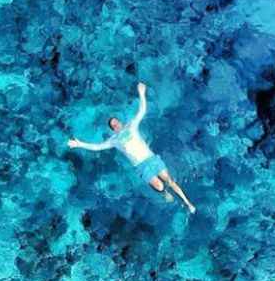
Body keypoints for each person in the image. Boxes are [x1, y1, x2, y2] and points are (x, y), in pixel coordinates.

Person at [67, 83, 196, 214]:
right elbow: (97, 147)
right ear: (113, 130)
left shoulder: (131, 126)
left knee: (169, 180)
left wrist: (141, 93)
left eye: (116, 122)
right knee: (159, 185)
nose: (116, 125)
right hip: (141, 166)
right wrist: (80, 144)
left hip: (151, 158)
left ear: (120, 122)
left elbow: (142, 110)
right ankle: (164, 193)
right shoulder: (114, 141)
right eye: (113, 125)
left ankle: (187, 202)